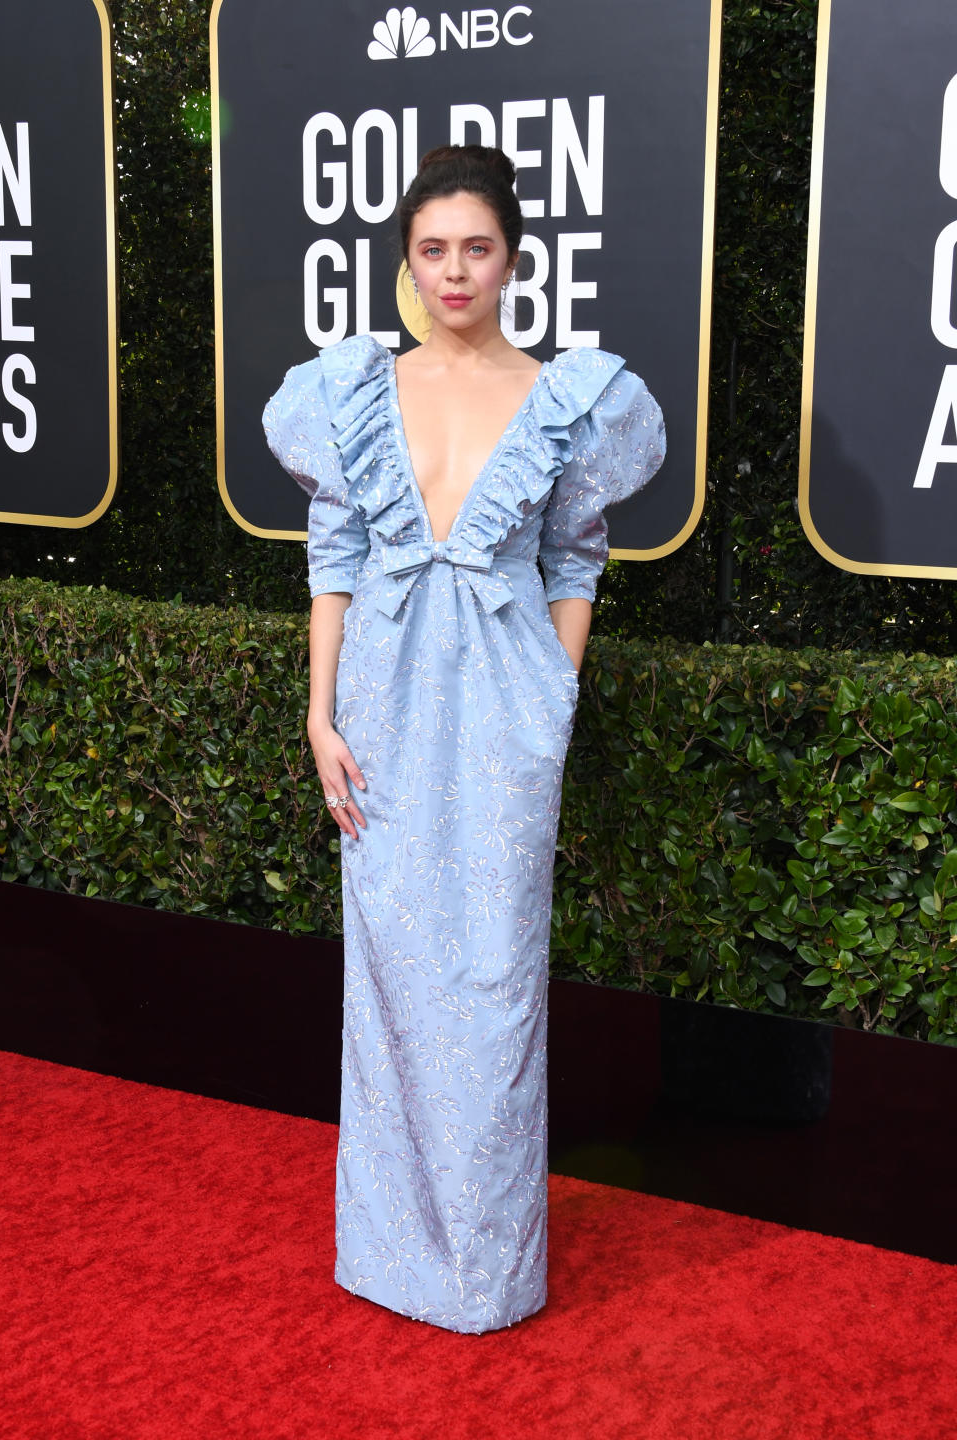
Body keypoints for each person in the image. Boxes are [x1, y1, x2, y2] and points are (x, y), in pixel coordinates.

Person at [263, 144, 665, 1334]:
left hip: (502, 715)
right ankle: (392, 1255)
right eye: (432, 249)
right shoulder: (350, 389)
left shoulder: (567, 396)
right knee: (387, 983)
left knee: (493, 992)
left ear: (512, 259)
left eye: (475, 248)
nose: (454, 271)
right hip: (379, 705)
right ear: (406, 259)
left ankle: (487, 1273)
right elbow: (333, 559)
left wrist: (553, 692)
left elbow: (576, 557)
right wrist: (318, 712)